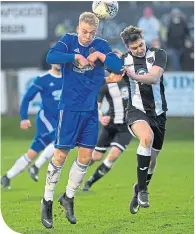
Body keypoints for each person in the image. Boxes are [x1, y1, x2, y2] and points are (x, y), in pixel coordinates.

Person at [41, 12, 122, 228]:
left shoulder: (101, 45)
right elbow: (50, 57)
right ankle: (47, 201)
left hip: (90, 112)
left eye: (92, 33)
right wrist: (74, 57)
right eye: (84, 32)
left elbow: (118, 67)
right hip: (69, 109)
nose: (87, 36)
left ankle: (68, 197)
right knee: (60, 155)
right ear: (78, 28)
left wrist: (101, 57)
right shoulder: (68, 41)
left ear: (97, 32)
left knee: (85, 157)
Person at [106, 25, 167, 214]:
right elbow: (112, 76)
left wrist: (132, 75)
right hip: (135, 111)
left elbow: (155, 77)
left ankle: (138, 188)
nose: (139, 49)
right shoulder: (124, 61)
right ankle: (143, 190)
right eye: (134, 48)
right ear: (127, 48)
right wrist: (112, 76)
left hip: (158, 113)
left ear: (143, 39)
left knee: (152, 162)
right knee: (146, 138)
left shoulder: (158, 54)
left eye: (141, 45)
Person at [1, 64, 62, 188]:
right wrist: (24, 118)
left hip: (60, 120)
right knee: (60, 139)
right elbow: (27, 98)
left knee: (32, 152)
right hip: (46, 119)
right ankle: (35, 167)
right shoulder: (43, 79)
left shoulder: (68, 78)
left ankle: (7, 176)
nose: (59, 62)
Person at [82, 49, 132, 191]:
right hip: (110, 125)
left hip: (126, 127)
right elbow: (96, 106)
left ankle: (90, 182)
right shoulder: (104, 84)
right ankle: (77, 173)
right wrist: (100, 117)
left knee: (113, 155)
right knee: (95, 157)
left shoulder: (129, 80)